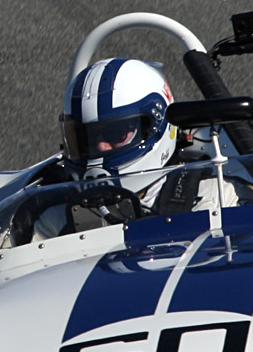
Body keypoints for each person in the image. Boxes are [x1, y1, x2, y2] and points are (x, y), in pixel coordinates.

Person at [40, 57, 202, 235]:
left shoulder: (216, 199)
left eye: (116, 133)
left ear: (156, 125)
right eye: (86, 137)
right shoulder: (50, 220)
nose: (101, 146)